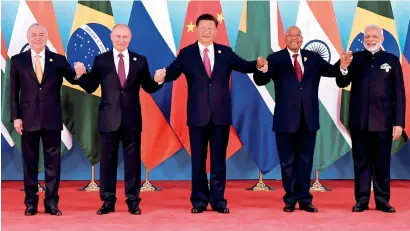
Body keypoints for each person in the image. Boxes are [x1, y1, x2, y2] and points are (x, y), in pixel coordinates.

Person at [154, 13, 266, 214]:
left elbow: (244, 65)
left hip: (220, 116)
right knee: (198, 160)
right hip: (197, 116)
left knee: (218, 161)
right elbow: (173, 71)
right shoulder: (187, 53)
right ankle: (198, 201)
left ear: (216, 30)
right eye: (203, 28)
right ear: (196, 30)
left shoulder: (225, 52)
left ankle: (218, 201)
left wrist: (257, 65)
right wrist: (163, 75)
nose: (207, 31)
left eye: (210, 28)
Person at [253, 25, 350, 213]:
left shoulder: (313, 58)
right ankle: (290, 199)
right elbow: (261, 80)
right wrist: (261, 69)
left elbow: (332, 71)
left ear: (302, 38)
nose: (294, 39)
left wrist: (343, 66)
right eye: (291, 36)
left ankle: (305, 199)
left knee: (305, 161)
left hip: (308, 119)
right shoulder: (276, 58)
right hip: (285, 120)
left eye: (297, 36)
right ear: (285, 38)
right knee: (287, 162)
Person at [76, 24, 162, 215]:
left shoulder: (140, 60)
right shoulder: (101, 60)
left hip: (132, 119)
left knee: (132, 162)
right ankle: (108, 201)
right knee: (107, 162)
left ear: (130, 38)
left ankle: (133, 200)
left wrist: (158, 80)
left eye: (125, 37)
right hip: (108, 118)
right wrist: (81, 76)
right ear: (111, 37)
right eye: (118, 36)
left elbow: (148, 87)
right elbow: (91, 87)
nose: (121, 40)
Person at [10, 23, 85, 216]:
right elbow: (12, 92)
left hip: (52, 118)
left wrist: (79, 72)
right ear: (28, 37)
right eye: (33, 35)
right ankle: (30, 203)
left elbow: (73, 79)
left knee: (53, 164)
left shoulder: (58, 60)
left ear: (46, 37)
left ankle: (52, 203)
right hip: (27, 119)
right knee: (30, 163)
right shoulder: (18, 61)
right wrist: (15, 117)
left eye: (41, 34)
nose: (37, 38)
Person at [336, 24, 405, 213]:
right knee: (361, 162)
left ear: (382, 39)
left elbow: (399, 94)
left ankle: (383, 200)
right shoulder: (354, 59)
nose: (371, 39)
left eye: (374, 36)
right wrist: (342, 67)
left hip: (384, 122)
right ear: (363, 39)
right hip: (359, 121)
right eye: (367, 37)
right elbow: (341, 82)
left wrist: (399, 123)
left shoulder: (391, 60)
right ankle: (362, 200)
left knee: (382, 163)